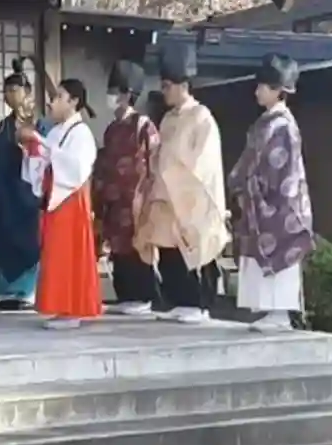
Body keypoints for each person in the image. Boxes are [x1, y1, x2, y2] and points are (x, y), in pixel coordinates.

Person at [134, 42, 229, 324]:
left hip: (189, 195)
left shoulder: (202, 117)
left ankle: (198, 303)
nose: (164, 91)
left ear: (183, 85)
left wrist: (177, 177)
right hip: (165, 195)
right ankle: (178, 300)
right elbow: (159, 154)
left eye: (168, 86)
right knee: (167, 247)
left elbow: (205, 161)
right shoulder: (166, 120)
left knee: (192, 247)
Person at [229, 53, 314, 333]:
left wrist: (256, 188)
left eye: (263, 86)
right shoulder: (266, 122)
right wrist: (243, 185)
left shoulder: (283, 125)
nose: (257, 91)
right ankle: (268, 309)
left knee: (278, 251)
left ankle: (280, 313)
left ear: (278, 90)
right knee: (259, 255)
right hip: (260, 199)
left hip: (279, 202)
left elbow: (281, 169)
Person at [21, 78, 103, 330]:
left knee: (69, 254)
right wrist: (33, 150)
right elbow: (46, 160)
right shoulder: (57, 132)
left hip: (71, 199)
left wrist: (42, 143)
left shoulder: (82, 133)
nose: (52, 102)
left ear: (73, 102)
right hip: (55, 197)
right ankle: (60, 306)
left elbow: (76, 168)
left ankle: (72, 308)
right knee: (55, 254)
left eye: (58, 97)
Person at [93, 59, 161, 316]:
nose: (111, 97)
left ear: (126, 94)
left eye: (115, 91)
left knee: (136, 246)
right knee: (117, 248)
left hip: (136, 199)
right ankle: (125, 295)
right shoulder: (112, 129)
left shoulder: (143, 125)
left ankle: (143, 295)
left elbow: (154, 160)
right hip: (113, 200)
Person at [0, 58, 52, 311]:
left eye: (15, 90)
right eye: (7, 91)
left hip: (26, 195)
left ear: (27, 92)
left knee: (27, 241)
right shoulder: (4, 125)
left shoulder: (39, 124)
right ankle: (9, 291)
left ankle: (28, 291)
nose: (11, 95)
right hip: (2, 193)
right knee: (3, 239)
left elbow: (44, 156)